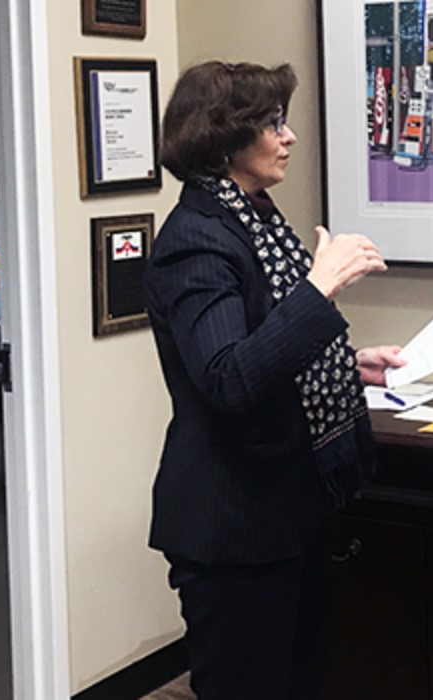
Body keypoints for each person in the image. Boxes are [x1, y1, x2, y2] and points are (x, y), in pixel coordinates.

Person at [144, 60, 405, 699]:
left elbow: (268, 344)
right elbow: (228, 378)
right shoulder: (197, 240)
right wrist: (322, 286)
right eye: (270, 123)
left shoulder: (252, 219)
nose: (287, 137)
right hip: (232, 525)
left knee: (302, 681)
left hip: (288, 508)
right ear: (224, 138)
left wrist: (348, 364)